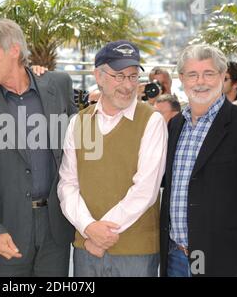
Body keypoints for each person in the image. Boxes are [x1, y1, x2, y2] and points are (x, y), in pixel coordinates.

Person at [0, 19, 77, 277]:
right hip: (7, 231)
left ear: (14, 50)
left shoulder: (58, 85)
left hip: (55, 228)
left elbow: (78, 146)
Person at [160, 44, 237, 277]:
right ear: (182, 78)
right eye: (193, 74)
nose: (200, 81)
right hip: (176, 259)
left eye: (209, 73)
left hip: (227, 261)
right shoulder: (175, 125)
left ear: (223, 76)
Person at [58, 40, 168, 277]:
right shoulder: (80, 123)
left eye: (132, 77)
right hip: (86, 249)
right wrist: (89, 227)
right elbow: (67, 184)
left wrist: (99, 235)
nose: (127, 85)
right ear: (99, 76)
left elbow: (146, 190)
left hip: (135, 253)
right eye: (119, 76)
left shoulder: (151, 121)